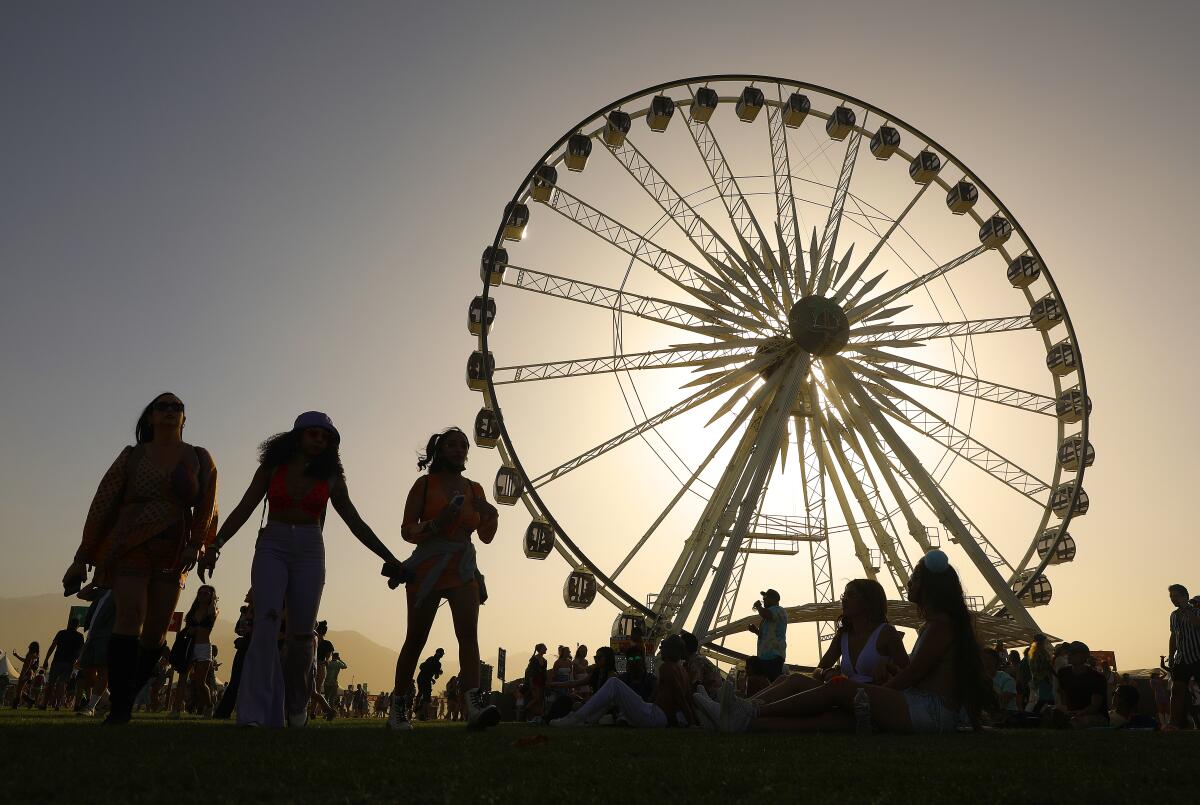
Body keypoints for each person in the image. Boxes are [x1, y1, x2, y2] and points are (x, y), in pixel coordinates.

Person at [202, 411, 400, 728]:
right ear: (297, 436)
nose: (319, 440)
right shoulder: (272, 468)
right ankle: (254, 713)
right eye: (313, 434)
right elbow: (244, 506)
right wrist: (216, 545)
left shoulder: (331, 477)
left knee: (301, 635)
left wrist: (389, 557)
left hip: (309, 549)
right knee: (264, 624)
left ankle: (296, 705)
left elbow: (354, 521)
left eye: (325, 437)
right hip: (272, 545)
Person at [701, 550, 986, 734]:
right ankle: (742, 718)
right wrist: (884, 679)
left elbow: (913, 673)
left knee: (838, 691)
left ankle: (747, 711)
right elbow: (918, 675)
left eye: (914, 578)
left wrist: (872, 689)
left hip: (928, 711)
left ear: (930, 587)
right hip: (922, 707)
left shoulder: (939, 626)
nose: (908, 583)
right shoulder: (940, 626)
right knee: (828, 718)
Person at [61, 393, 218, 725]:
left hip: (174, 547)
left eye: (177, 407)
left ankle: (128, 694)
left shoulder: (199, 458)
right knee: (130, 615)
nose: (170, 411)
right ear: (150, 417)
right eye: (163, 406)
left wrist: (198, 545)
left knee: (155, 632)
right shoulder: (132, 457)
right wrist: (82, 557)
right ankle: (119, 709)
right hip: (129, 542)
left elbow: (207, 505)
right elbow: (102, 502)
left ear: (184, 419)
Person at [386, 428, 499, 731]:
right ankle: (398, 705)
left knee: (468, 635)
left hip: (462, 566)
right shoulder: (424, 485)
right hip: (428, 565)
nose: (460, 449)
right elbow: (407, 530)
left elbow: (486, 536)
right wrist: (437, 524)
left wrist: (492, 515)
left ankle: (473, 704)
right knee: (416, 638)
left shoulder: (475, 489)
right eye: (453, 444)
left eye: (464, 445)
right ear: (440, 449)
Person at [721, 579, 908, 718]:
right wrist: (826, 672)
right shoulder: (843, 635)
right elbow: (819, 669)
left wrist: (888, 668)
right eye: (844, 594)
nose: (844, 599)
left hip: (868, 697)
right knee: (785, 679)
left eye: (851, 595)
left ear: (868, 601)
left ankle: (748, 711)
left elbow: (908, 674)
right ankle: (740, 707)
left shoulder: (886, 633)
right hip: (842, 692)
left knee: (794, 680)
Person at [552, 635, 697, 728]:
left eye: (663, 648)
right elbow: (687, 698)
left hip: (655, 717)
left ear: (670, 650)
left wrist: (691, 724)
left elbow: (679, 696)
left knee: (614, 684)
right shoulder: (682, 670)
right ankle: (586, 721)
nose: (661, 651)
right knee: (614, 693)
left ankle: (575, 720)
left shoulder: (667, 667)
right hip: (657, 714)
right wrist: (693, 721)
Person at [169, 584, 219, 718]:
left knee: (199, 682)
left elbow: (206, 626)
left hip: (203, 648)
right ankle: (176, 710)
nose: (202, 595)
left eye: (206, 593)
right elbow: (189, 628)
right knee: (182, 678)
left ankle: (209, 706)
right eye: (200, 593)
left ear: (211, 596)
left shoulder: (212, 611)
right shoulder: (192, 611)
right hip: (189, 646)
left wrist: (194, 629)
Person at [74, 584, 115, 716]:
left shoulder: (121, 590)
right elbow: (81, 594)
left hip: (108, 636)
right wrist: (96, 582)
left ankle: (91, 707)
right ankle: (107, 701)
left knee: (103, 670)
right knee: (88, 673)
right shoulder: (102, 590)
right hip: (92, 635)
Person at [214, 590, 254, 719]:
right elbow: (238, 629)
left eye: (250, 592)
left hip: (255, 645)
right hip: (245, 644)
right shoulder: (244, 611)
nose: (246, 594)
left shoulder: (259, 610)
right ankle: (223, 712)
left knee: (251, 680)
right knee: (235, 680)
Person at [1166, 583, 1200, 730]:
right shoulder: (1173, 615)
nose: (1173, 599)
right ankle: (1173, 723)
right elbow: (1173, 636)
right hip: (1181, 658)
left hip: (1197, 656)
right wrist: (1171, 655)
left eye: (1175, 596)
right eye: (1171, 597)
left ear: (1185, 596)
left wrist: (1186, 608)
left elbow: (1197, 624)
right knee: (1177, 689)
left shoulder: (1196, 611)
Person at [1051, 641, 1108, 729]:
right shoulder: (1063, 673)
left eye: (1073, 653)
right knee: (1050, 712)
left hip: (1095, 715)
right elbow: (1063, 696)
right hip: (1072, 712)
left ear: (1084, 656)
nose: (1069, 655)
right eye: (1068, 652)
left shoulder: (1097, 678)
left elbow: (1095, 706)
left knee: (1078, 721)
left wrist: (1077, 713)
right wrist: (1064, 710)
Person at [43, 616, 85, 710]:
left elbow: (53, 646)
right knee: (62, 684)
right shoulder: (80, 636)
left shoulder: (61, 633)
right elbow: (81, 650)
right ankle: (58, 704)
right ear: (78, 626)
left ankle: (44, 704)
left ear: (69, 624)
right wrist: (78, 661)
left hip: (57, 660)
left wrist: (46, 659)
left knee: (51, 683)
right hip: (69, 663)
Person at [748, 589, 787, 682]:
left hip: (774, 656)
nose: (763, 600)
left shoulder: (778, 610)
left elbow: (766, 614)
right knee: (764, 682)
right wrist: (756, 631)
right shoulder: (768, 615)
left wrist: (758, 606)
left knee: (772, 683)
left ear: (773, 599)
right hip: (765, 657)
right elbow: (766, 636)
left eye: (765, 598)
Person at [982, 648, 1019, 726]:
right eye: (983, 659)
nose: (986, 662)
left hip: (1007, 717)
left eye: (989, 659)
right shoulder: (978, 679)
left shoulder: (1006, 679)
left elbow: (1002, 704)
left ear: (997, 662)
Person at [311, 621, 335, 720]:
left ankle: (313, 711)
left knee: (313, 690)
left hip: (314, 666)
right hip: (320, 667)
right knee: (316, 690)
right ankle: (313, 712)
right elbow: (328, 659)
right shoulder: (327, 644)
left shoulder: (312, 640)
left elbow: (327, 659)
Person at [1026, 634, 1054, 713]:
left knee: (1046, 699)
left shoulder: (1036, 651)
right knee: (1045, 699)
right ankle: (1034, 715)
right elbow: (1039, 667)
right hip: (1042, 679)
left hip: (1042, 679)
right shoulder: (1038, 652)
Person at [415, 648, 445, 720]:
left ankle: (417, 706)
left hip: (420, 678)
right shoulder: (438, 664)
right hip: (426, 680)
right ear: (441, 655)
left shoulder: (430, 658)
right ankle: (423, 715)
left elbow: (425, 671)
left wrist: (431, 679)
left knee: (421, 693)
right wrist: (440, 672)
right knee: (427, 698)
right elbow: (436, 676)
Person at [9, 642, 39, 709]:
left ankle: (16, 704)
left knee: (19, 690)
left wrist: (23, 674)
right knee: (20, 689)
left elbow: (27, 664)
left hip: (26, 672)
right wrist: (17, 656)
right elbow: (25, 661)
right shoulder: (35, 655)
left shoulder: (30, 654)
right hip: (29, 672)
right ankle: (30, 701)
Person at [524, 644, 548, 723]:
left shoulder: (545, 661)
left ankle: (537, 717)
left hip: (541, 682)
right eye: (544, 648)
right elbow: (530, 672)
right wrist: (531, 683)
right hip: (534, 681)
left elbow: (544, 673)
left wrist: (546, 682)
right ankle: (525, 711)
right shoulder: (534, 659)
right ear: (540, 649)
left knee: (540, 700)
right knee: (536, 698)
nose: (546, 649)